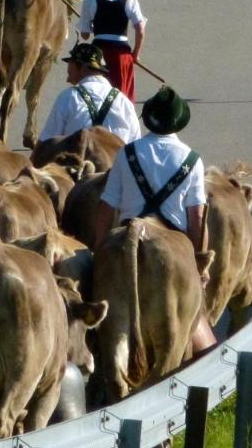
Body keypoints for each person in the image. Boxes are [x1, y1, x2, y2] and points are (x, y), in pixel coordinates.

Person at [93, 86, 218, 351]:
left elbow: (107, 206)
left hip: (125, 234)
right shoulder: (192, 160)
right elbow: (196, 217)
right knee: (200, 336)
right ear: (179, 121)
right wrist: (198, 264)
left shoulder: (126, 154)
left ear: (148, 118)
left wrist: (99, 252)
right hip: (174, 238)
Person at [39, 42, 141, 144]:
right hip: (114, 159)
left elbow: (46, 142)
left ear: (83, 69)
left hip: (76, 158)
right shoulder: (124, 103)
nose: (67, 80)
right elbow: (136, 147)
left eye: (70, 71)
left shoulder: (69, 97)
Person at [76, 0, 147, 103]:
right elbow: (140, 28)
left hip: (98, 55)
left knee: (97, 98)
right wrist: (136, 54)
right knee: (121, 100)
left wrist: (91, 25)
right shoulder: (130, 0)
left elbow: (85, 34)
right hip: (122, 56)